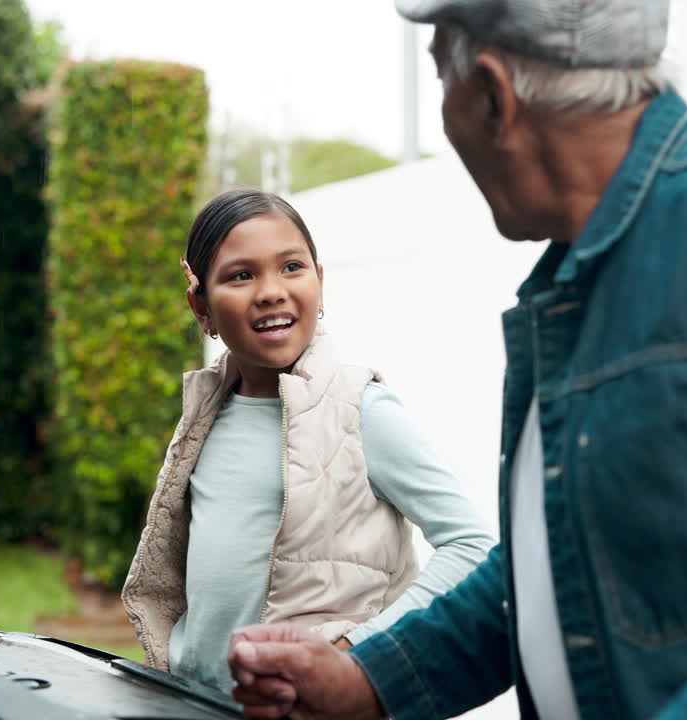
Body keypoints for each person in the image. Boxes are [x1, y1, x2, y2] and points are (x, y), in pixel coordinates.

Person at [226, 1, 687, 718]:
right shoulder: (573, 278)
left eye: (440, 79)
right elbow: (560, 571)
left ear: (492, 94)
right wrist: (370, 683)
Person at [120, 188, 494, 692]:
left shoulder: (361, 409)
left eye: (291, 267)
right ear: (201, 308)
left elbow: (472, 546)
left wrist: (356, 652)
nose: (271, 290)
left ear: (320, 282)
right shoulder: (204, 414)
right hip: (196, 701)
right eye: (240, 275)